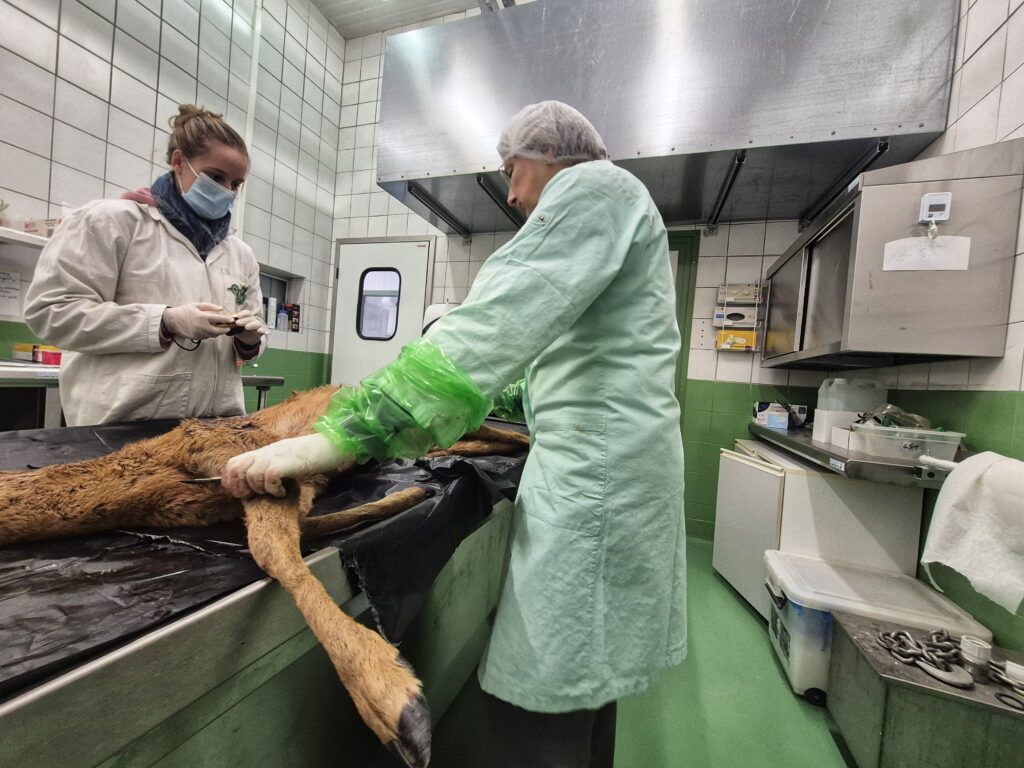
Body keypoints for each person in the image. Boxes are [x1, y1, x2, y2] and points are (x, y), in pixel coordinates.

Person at [222, 101, 686, 766]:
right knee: (591, 672)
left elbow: (491, 328)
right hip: (619, 469)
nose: (512, 191)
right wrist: (489, 393)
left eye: (512, 170)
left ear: (546, 155)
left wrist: (344, 435)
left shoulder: (594, 190)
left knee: (548, 689)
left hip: (598, 487)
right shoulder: (622, 207)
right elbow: (560, 365)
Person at [24, 104, 268, 426]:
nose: (226, 191)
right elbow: (51, 312)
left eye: (236, 184)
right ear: (179, 162)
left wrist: (250, 342)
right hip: (123, 428)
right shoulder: (112, 223)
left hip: (215, 426)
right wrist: (165, 321)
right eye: (215, 177)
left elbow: (254, 333)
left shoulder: (239, 253)